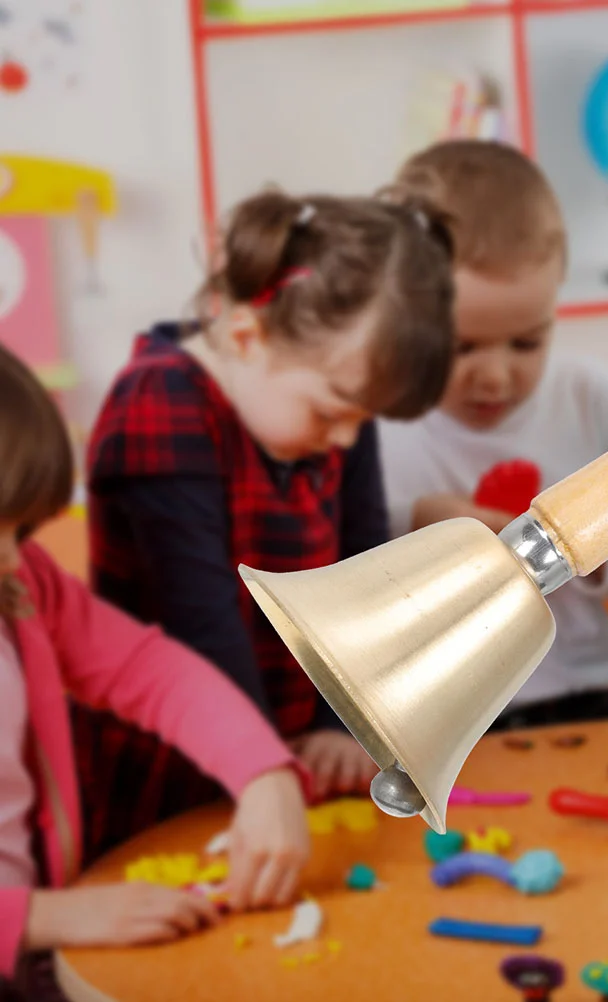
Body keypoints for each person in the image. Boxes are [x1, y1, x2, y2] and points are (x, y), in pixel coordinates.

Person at [81, 190, 455, 857]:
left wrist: (342, 727)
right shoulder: (159, 402)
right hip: (176, 783)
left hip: (292, 768)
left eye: (364, 419)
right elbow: (199, 623)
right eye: (334, 411)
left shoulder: (333, 406)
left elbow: (359, 580)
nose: (346, 440)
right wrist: (265, 767)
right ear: (248, 337)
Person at [0, 345, 311, 1001]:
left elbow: (148, 669)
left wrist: (263, 773)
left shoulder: (23, 585)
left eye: (20, 530)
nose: (9, 558)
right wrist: (41, 917)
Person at [378, 140, 608, 729]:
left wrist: (587, 551)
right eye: (460, 347)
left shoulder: (587, 397)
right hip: (430, 718)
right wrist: (418, 521)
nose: (495, 376)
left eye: (527, 343)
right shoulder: (373, 419)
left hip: (577, 702)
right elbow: (344, 571)